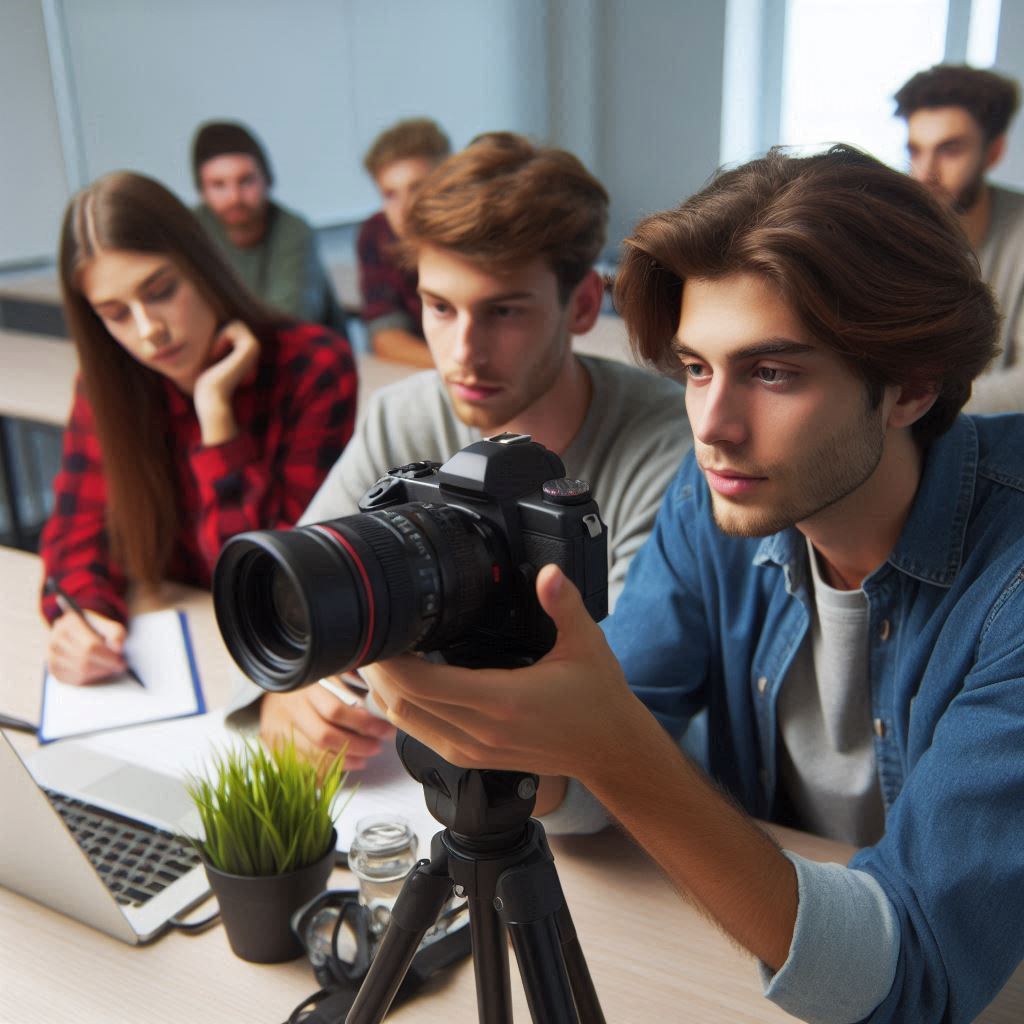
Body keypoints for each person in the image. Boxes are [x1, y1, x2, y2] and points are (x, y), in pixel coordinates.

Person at [358, 146, 1024, 1023]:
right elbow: (592, 785)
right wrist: (505, 730)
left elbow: (912, 980)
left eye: (772, 372)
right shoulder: (715, 499)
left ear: (909, 387)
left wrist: (606, 745)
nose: (712, 427)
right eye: (697, 369)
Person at [239, 132, 692, 767]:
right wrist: (290, 693)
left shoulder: (669, 451)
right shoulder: (403, 415)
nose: (462, 354)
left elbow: (618, 716)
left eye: (503, 312)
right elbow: (295, 590)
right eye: (440, 307)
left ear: (584, 303)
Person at [41, 171, 358, 687]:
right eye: (116, 314)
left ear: (201, 265)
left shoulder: (314, 365)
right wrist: (81, 619)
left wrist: (216, 417)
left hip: (277, 659)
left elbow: (273, 582)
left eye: (161, 291)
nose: (149, 330)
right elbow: (76, 537)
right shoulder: (109, 385)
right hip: (170, 650)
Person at [895, 64, 1024, 411]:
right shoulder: (889, 233)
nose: (925, 173)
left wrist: (910, 410)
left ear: (994, 152)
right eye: (915, 151)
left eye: (949, 150)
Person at [192, 120, 347, 332]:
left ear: (267, 179)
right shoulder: (191, 230)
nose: (234, 197)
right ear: (202, 191)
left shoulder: (294, 230)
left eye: (246, 181)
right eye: (218, 185)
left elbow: (291, 323)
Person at [357, 117, 451, 367]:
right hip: (433, 371)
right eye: (390, 195)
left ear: (448, 182)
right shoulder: (377, 234)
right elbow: (386, 339)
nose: (404, 208)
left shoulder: (477, 231)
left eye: (417, 188)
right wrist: (457, 369)